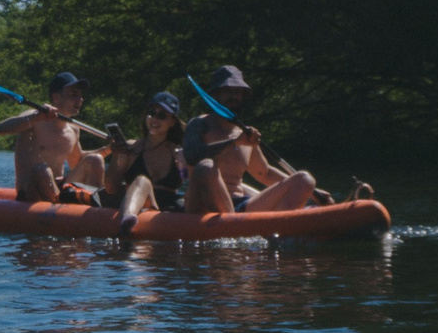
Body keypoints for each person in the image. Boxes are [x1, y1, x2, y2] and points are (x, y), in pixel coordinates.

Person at [181, 65, 316, 215]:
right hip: (202, 203)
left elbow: (264, 173)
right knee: (206, 166)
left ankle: (279, 231)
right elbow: (191, 155)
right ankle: (233, 226)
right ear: (215, 95)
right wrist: (233, 142)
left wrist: (313, 193)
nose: (233, 96)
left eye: (237, 92)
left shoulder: (246, 134)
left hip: (240, 204)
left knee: (305, 180)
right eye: (227, 91)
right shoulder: (199, 124)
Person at [0, 73, 104, 204]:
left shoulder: (73, 129)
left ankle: (93, 209)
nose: (80, 99)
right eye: (73, 94)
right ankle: (60, 212)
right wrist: (36, 117)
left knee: (95, 160)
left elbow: (77, 161)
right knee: (43, 170)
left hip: (59, 188)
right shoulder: (33, 118)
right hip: (30, 191)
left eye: (80, 95)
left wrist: (109, 149)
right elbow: (1, 129)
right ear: (56, 98)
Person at [95, 91, 188, 219]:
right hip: (135, 206)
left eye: (162, 115)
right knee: (142, 181)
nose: (154, 119)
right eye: (151, 113)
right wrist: (116, 156)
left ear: (172, 122)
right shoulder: (132, 148)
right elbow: (111, 188)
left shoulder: (178, 152)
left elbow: (191, 183)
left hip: (165, 209)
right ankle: (126, 220)